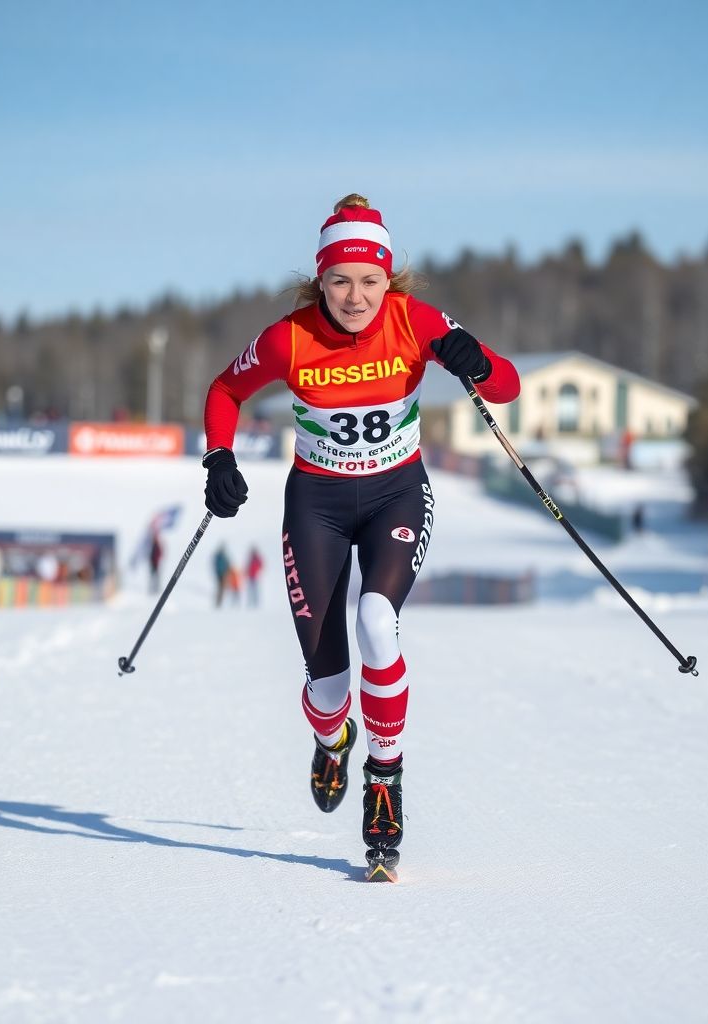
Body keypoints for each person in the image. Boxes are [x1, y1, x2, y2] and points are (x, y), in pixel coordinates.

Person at [201, 193, 520, 877]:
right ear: (321, 280)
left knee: (378, 620)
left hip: (394, 494)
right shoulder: (291, 338)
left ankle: (385, 779)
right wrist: (219, 458)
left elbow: (510, 386)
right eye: (340, 280)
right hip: (314, 505)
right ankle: (333, 736)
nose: (355, 296)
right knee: (326, 689)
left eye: (370, 280)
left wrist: (477, 360)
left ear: (390, 280)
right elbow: (225, 392)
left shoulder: (415, 321)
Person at [212, 544, 231, 608]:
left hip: (223, 574)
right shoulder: (220, 557)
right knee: (221, 588)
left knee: (222, 588)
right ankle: (218, 603)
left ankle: (221, 602)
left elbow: (228, 565)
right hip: (220, 574)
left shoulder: (222, 557)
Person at [148, 530, 163, 595]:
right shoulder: (153, 545)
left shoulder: (157, 545)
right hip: (152, 564)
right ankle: (152, 588)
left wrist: (157, 559)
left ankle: (156, 588)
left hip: (156, 564)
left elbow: (160, 553)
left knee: (156, 577)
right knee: (152, 576)